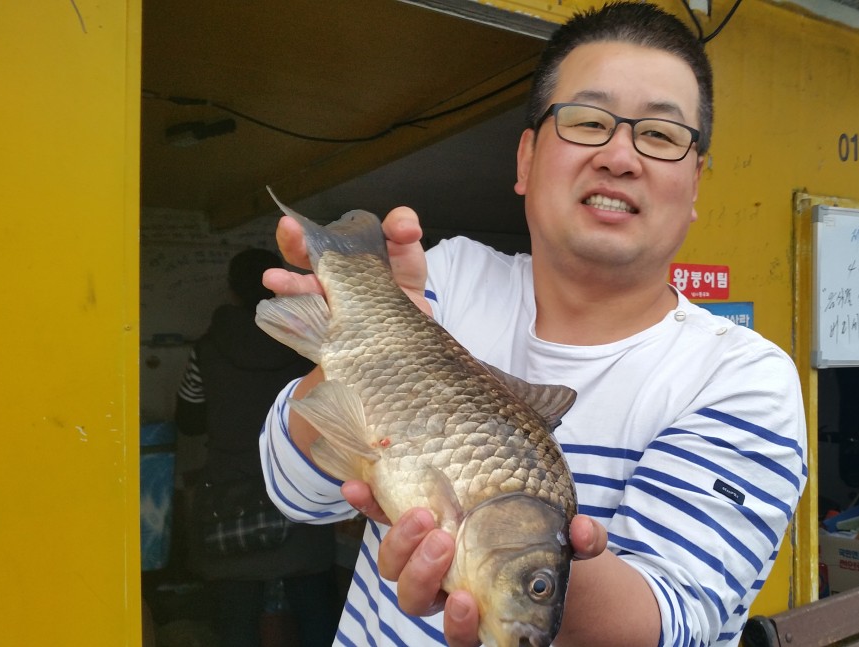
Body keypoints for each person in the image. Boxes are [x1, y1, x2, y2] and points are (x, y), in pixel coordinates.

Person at [259, 2, 808, 646]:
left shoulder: (742, 377)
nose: (620, 156)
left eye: (661, 135)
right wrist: (378, 343)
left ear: (695, 184)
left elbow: (671, 623)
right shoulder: (448, 278)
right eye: (587, 121)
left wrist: (514, 567)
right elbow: (297, 493)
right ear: (525, 160)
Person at [176, 248, 341, 647]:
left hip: (230, 498)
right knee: (316, 614)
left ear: (231, 289)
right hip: (300, 487)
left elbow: (188, 419)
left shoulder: (207, 348)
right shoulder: (306, 343)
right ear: (278, 285)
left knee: (237, 619)